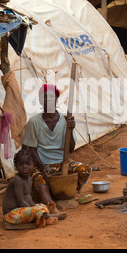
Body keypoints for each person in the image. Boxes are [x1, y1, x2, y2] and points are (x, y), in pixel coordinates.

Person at [23, 84, 92, 212]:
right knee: (39, 179)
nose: (48, 100)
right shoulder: (34, 122)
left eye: (51, 97)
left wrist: (70, 130)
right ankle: (52, 206)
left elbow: (70, 149)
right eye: (44, 97)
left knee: (85, 170)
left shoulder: (65, 121)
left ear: (56, 100)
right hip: (41, 164)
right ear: (40, 101)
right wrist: (43, 168)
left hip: (62, 163)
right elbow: (31, 151)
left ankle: (67, 194)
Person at [2, 150, 60, 228]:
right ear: (16, 166)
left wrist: (35, 208)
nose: (25, 166)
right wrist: (34, 210)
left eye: (28, 164)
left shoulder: (29, 179)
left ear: (33, 165)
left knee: (41, 206)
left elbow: (28, 199)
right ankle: (46, 218)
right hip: (12, 215)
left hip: (22, 211)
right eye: (21, 164)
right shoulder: (17, 180)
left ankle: (46, 214)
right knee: (36, 210)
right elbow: (20, 201)